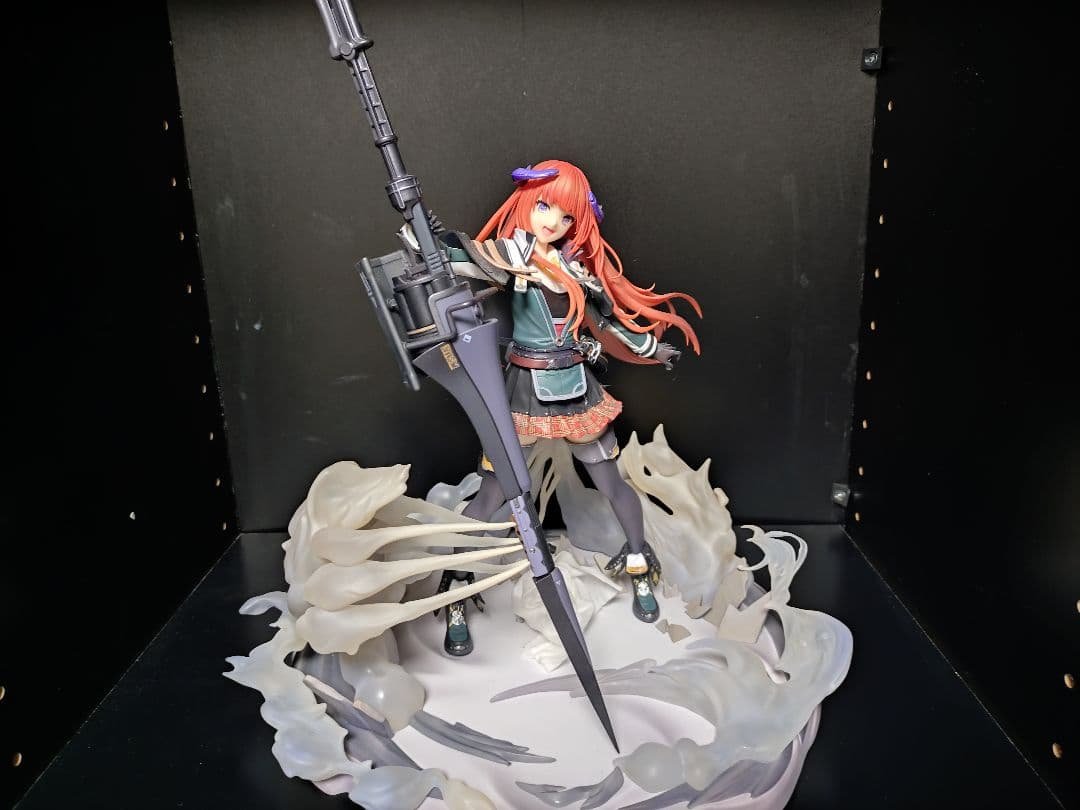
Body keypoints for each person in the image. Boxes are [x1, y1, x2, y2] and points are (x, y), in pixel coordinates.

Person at [434, 159, 701, 655]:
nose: (553, 221)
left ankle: (638, 560)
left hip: (575, 387)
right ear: (525, 202)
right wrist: (433, 241)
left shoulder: (576, 269)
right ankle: (456, 585)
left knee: (611, 483)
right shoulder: (511, 256)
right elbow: (460, 262)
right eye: (544, 206)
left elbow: (609, 323)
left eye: (566, 215)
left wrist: (649, 349)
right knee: (493, 495)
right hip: (523, 389)